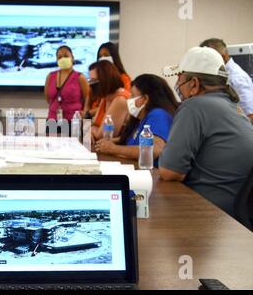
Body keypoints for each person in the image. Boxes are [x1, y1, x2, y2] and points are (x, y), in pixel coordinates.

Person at [159, 46, 253, 217]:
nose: (177, 85)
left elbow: (170, 171)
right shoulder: (234, 108)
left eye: (180, 79)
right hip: (234, 215)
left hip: (208, 212)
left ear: (194, 84)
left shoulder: (194, 106)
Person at [95, 74, 178, 166]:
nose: (129, 99)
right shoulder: (141, 117)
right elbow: (133, 139)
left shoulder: (158, 115)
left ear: (146, 99)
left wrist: (114, 149)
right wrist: (109, 143)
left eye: (133, 95)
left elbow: (154, 149)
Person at [200, 38, 253, 120]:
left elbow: (250, 114)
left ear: (222, 56)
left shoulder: (237, 78)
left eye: (208, 59)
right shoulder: (221, 74)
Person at [44, 45, 89, 121]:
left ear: (72, 58)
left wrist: (83, 113)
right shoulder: (50, 76)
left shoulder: (80, 77)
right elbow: (48, 99)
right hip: (52, 120)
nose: (63, 59)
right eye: (60, 57)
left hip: (73, 122)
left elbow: (87, 99)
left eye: (66, 56)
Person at [88, 61, 130, 140]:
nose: (90, 85)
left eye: (94, 81)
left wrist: (91, 130)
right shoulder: (106, 97)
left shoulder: (120, 99)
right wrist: (92, 130)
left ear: (105, 79)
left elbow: (102, 135)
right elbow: (94, 124)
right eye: (90, 81)